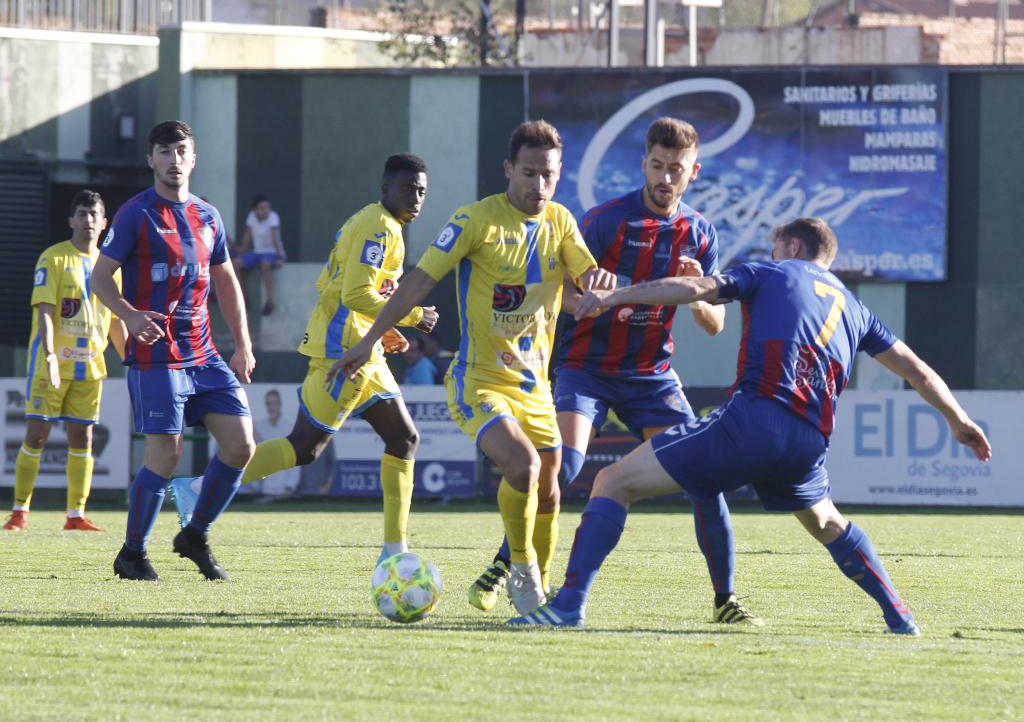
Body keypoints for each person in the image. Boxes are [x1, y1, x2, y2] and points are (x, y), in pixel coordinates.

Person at [508, 217, 992, 633]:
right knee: (826, 522)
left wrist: (617, 296)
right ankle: (898, 613)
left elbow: (697, 289)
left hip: (754, 420)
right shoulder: (856, 308)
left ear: (793, 248)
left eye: (777, 247)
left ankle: (568, 607)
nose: (773, 254)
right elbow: (918, 371)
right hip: (810, 441)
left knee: (612, 481)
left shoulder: (771, 272)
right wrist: (960, 420)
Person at [467, 117, 758, 625]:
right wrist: (589, 301)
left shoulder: (700, 233)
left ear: (694, 173)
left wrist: (696, 295)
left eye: (677, 169)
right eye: (657, 165)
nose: (666, 177)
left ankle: (725, 601)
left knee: (703, 479)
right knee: (564, 468)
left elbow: (715, 325)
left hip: (651, 374)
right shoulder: (604, 221)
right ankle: (510, 564)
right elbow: (559, 288)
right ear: (644, 163)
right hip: (587, 367)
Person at [333, 121, 615, 614]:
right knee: (522, 466)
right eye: (528, 174)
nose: (538, 186)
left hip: (536, 387)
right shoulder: (474, 221)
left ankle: (539, 592)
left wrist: (601, 282)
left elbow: (587, 277)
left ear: (558, 173)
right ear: (509, 170)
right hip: (479, 380)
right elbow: (419, 281)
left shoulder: (562, 222)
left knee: (548, 493)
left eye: (547, 175)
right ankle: (522, 570)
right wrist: (369, 340)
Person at [171, 153, 439, 565]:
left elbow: (356, 289)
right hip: (342, 350)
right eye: (407, 189)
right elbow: (353, 294)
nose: (416, 197)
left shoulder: (383, 224)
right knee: (305, 448)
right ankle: (199, 489)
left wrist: (384, 328)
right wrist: (416, 315)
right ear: (386, 189)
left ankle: (394, 550)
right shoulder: (379, 227)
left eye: (421, 190)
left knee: (404, 439)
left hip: (362, 346)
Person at [92, 120, 257, 582]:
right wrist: (129, 315)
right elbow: (100, 279)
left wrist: (242, 344)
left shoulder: (208, 215)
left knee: (241, 446)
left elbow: (226, 280)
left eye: (181, 151)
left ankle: (194, 535)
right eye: (164, 152)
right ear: (151, 160)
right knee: (165, 455)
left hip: (205, 356)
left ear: (193, 158)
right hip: (156, 356)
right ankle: (132, 553)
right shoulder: (134, 214)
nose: (173, 160)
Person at [3, 190, 128, 532]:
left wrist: (131, 358)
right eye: (82, 213)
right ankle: (19, 511)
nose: (88, 219)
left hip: (90, 366)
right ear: (71, 220)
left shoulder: (111, 268)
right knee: (37, 435)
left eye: (94, 215)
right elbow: (45, 310)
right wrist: (49, 355)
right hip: (51, 364)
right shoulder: (53, 258)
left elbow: (116, 320)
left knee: (83, 440)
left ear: (104, 224)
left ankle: (75, 515)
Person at [232, 194, 286, 316]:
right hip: (256, 252)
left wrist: (281, 257)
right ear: (254, 210)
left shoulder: (273, 217)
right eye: (262, 208)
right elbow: (247, 235)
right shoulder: (251, 217)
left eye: (267, 207)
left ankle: (269, 301)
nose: (265, 210)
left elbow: (274, 238)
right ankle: (242, 298)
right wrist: (244, 250)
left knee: (265, 266)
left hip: (271, 252)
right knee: (234, 264)